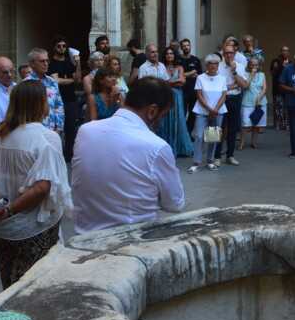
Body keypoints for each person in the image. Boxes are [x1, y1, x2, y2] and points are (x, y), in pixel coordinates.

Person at [0, 81, 71, 288]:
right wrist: (9, 210)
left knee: (9, 283)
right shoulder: (46, 138)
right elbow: (42, 187)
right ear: (40, 103)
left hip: (1, 229)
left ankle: (10, 319)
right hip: (34, 228)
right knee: (36, 286)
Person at [71, 77, 184, 233]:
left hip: (85, 237)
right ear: (152, 111)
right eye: (162, 116)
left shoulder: (85, 131)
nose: (161, 122)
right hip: (132, 241)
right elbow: (175, 203)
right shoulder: (157, 146)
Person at [188, 55, 226, 173]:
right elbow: (199, 95)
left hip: (218, 112)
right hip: (202, 111)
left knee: (212, 137)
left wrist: (215, 109)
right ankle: (196, 162)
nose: (213, 65)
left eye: (216, 63)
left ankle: (210, 161)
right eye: (211, 63)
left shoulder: (222, 78)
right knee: (199, 136)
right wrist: (210, 109)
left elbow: (224, 95)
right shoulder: (200, 78)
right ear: (206, 65)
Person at [154, 47, 193, 157]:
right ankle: (166, 147)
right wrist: (172, 83)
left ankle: (179, 148)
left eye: (171, 53)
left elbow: (182, 81)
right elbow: (160, 82)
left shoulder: (179, 67)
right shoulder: (161, 67)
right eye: (167, 54)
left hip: (177, 96)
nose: (169, 55)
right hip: (165, 95)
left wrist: (167, 83)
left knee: (178, 120)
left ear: (174, 55)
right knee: (165, 120)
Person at [47, 36, 81, 161]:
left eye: (64, 46)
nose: (62, 48)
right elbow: (56, 81)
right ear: (54, 47)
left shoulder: (69, 62)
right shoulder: (51, 63)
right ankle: (56, 154)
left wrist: (78, 63)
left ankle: (68, 155)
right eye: (59, 46)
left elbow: (78, 79)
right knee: (56, 128)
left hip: (70, 99)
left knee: (70, 128)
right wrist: (70, 80)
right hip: (56, 100)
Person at [218, 39, 248, 166]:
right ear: (223, 54)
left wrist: (234, 72)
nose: (229, 55)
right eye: (226, 53)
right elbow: (216, 85)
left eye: (231, 53)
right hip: (220, 99)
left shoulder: (240, 66)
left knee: (233, 128)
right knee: (218, 128)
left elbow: (244, 85)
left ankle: (230, 156)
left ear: (235, 54)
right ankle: (215, 156)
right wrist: (231, 86)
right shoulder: (217, 66)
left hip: (235, 99)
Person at [24, 48, 64, 135]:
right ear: (32, 64)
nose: (46, 64)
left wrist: (59, 127)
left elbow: (59, 105)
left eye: (47, 61)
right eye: (42, 61)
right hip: (34, 132)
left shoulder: (52, 82)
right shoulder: (26, 84)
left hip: (54, 131)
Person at [240, 57, 268, 149]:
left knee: (256, 123)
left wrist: (260, 97)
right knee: (245, 124)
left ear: (259, 65)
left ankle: (254, 142)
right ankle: (242, 142)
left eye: (256, 65)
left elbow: (264, 88)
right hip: (248, 101)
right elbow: (245, 87)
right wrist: (251, 75)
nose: (254, 66)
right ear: (249, 65)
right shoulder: (245, 74)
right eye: (252, 64)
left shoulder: (262, 74)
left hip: (260, 102)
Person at [178, 39, 202, 120]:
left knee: (193, 114)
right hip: (181, 90)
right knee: (182, 113)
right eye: (184, 46)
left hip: (193, 91)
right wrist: (191, 73)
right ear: (181, 48)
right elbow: (177, 76)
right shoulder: (178, 60)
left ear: (190, 46)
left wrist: (185, 74)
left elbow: (200, 76)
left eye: (187, 45)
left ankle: (190, 130)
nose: (186, 47)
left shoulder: (196, 60)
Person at [270, 45, 290, 131]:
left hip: (288, 89)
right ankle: (278, 124)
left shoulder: (291, 62)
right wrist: (281, 66)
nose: (285, 52)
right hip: (277, 88)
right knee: (278, 107)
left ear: (289, 52)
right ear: (281, 52)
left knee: (287, 107)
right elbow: (273, 73)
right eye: (283, 50)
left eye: (286, 51)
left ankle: (286, 124)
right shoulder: (275, 61)